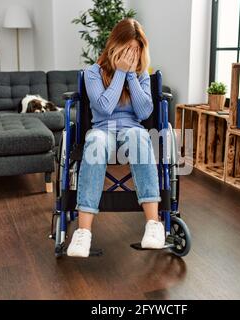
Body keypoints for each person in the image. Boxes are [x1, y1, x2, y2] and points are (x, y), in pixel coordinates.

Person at [66, 18, 165, 257]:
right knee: (95, 143)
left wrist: (130, 75)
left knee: (141, 138)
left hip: (132, 130)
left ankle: (154, 225)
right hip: (102, 128)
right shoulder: (93, 72)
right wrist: (121, 73)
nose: (132, 55)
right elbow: (104, 107)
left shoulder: (140, 75)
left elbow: (143, 112)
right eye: (127, 49)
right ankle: (83, 233)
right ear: (115, 46)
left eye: (136, 50)